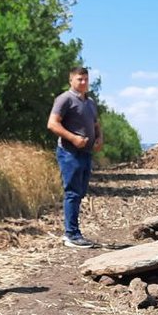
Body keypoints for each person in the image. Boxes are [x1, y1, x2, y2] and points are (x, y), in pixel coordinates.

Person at [47, 67, 103, 248]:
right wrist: (73, 138)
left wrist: (99, 138)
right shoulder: (64, 99)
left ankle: (74, 232)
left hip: (86, 153)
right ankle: (71, 234)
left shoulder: (90, 102)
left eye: (86, 79)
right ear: (71, 80)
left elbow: (96, 124)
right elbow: (52, 124)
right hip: (69, 152)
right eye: (80, 79)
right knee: (72, 193)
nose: (84, 82)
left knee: (80, 193)